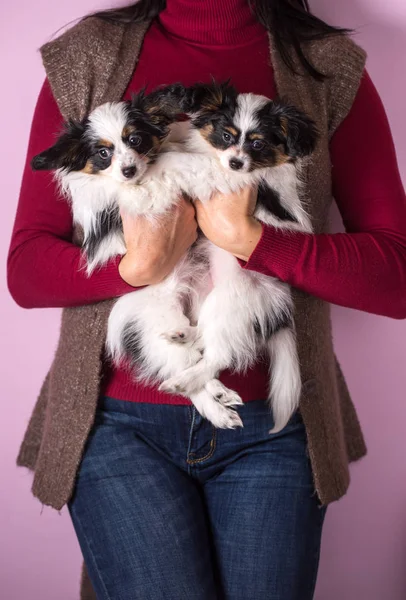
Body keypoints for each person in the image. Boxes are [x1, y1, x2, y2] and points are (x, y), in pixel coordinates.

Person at [8, 1, 406, 599]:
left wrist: (251, 239)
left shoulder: (328, 66)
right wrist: (138, 266)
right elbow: (25, 270)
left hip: (273, 425)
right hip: (115, 425)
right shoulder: (85, 55)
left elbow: (396, 277)